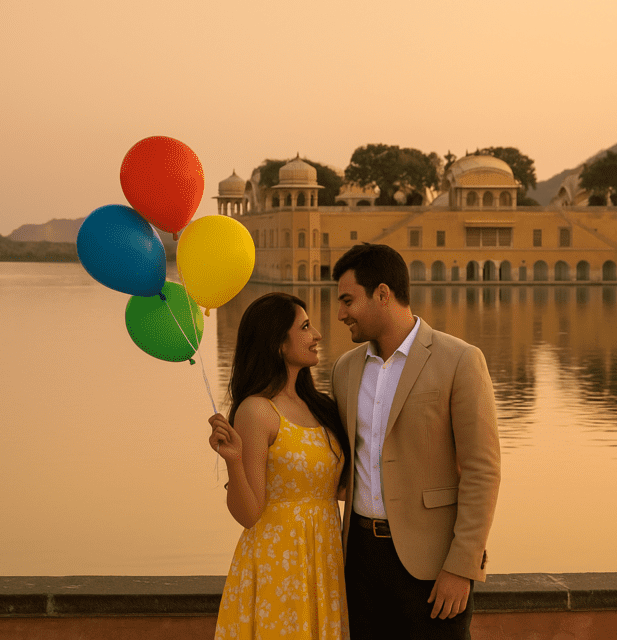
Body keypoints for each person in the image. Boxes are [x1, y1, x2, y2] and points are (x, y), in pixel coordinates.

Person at [330, 243, 502, 639]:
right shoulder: (344, 369)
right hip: (358, 563)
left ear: (383, 294)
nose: (340, 314)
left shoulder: (459, 359)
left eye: (347, 300)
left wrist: (462, 566)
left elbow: (483, 470)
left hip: (433, 566)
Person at [208, 292, 351, 639]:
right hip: (279, 563)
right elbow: (249, 514)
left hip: (325, 559)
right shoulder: (257, 411)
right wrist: (234, 461)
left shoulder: (320, 406)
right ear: (277, 344)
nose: (317, 334)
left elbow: (343, 487)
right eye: (305, 327)